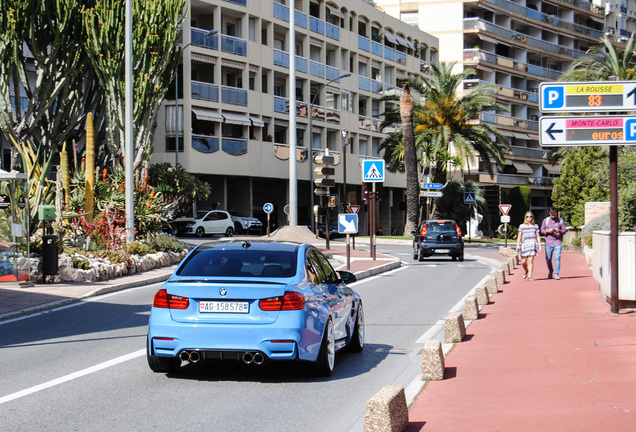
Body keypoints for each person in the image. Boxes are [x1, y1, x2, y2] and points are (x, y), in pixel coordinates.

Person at [541, 207, 566, 280]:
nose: (553, 217)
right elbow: (542, 230)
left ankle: (556, 273)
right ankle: (550, 271)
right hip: (549, 242)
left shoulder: (561, 221)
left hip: (558, 242)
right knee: (548, 259)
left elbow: (564, 230)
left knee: (557, 258)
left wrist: (560, 231)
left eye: (555, 215)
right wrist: (548, 231)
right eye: (552, 215)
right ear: (549, 213)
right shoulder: (546, 220)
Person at [516, 211, 542, 281]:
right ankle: (526, 271)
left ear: (532, 217)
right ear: (525, 218)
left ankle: (530, 276)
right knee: (523, 261)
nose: (529, 218)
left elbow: (538, 237)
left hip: (532, 244)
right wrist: (518, 245)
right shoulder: (522, 226)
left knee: (530, 261)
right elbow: (519, 236)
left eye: (530, 216)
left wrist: (539, 246)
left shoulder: (535, 226)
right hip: (524, 245)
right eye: (527, 216)